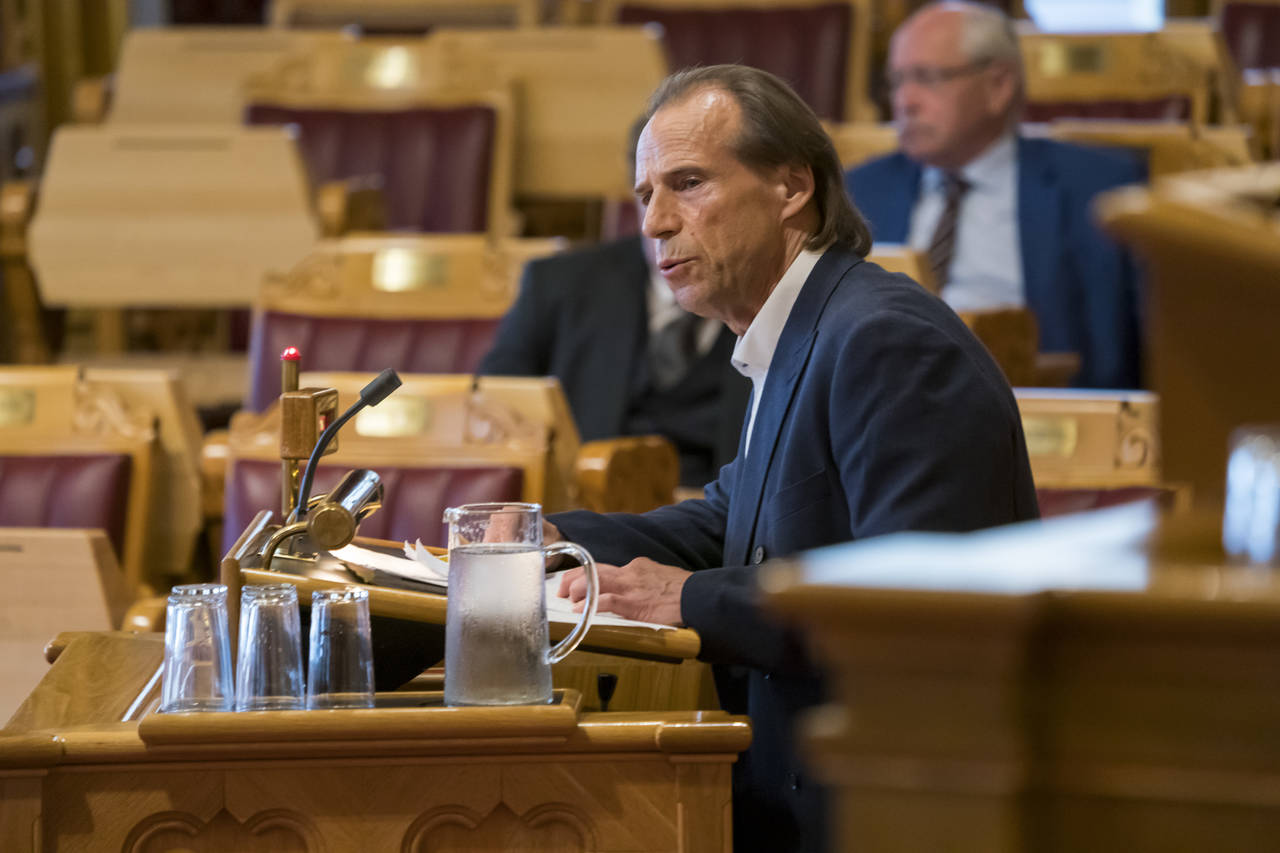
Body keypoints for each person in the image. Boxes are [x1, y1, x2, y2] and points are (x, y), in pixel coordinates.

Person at [547, 64, 1040, 853]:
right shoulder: (798, 330)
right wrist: (542, 543)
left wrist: (689, 600)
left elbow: (912, 605)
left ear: (791, 187)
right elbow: (730, 523)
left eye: (688, 183)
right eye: (646, 197)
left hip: (887, 811)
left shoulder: (886, 341)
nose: (654, 224)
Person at [844, 0, 1145, 389]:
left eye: (927, 78)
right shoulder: (860, 189)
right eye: (898, 81)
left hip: (1028, 408)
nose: (906, 101)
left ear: (998, 86)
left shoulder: (1097, 189)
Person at [478, 231, 749, 487]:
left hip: (721, 516)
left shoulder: (770, 295)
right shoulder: (558, 282)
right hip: (585, 507)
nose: (663, 221)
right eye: (648, 197)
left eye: (690, 186)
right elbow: (495, 401)